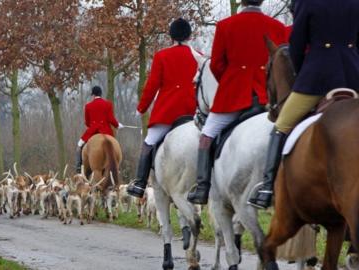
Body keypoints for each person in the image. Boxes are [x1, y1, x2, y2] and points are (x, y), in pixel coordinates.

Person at [248, 0, 359, 209]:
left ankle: (267, 188)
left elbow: (296, 45)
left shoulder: (307, 2)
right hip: (352, 76)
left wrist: (301, 74)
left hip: (317, 78)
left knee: (281, 125)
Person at [187, 0, 287, 204]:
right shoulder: (278, 26)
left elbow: (216, 65)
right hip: (268, 95)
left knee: (207, 134)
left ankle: (203, 187)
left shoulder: (225, 25)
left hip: (234, 95)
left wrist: (232, 80)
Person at [127, 18, 200, 198]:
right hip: (193, 111)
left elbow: (152, 85)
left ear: (171, 36)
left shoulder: (162, 56)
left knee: (149, 143)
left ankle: (140, 183)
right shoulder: (199, 55)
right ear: (189, 36)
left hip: (168, 113)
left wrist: (141, 108)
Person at [75, 86, 122, 173]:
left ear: (93, 95)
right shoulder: (108, 104)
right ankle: (117, 167)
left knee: (79, 146)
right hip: (107, 131)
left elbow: (87, 123)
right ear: (101, 94)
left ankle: (78, 167)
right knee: (115, 145)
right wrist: (118, 125)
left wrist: (93, 125)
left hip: (92, 132)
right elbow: (111, 119)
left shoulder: (88, 106)